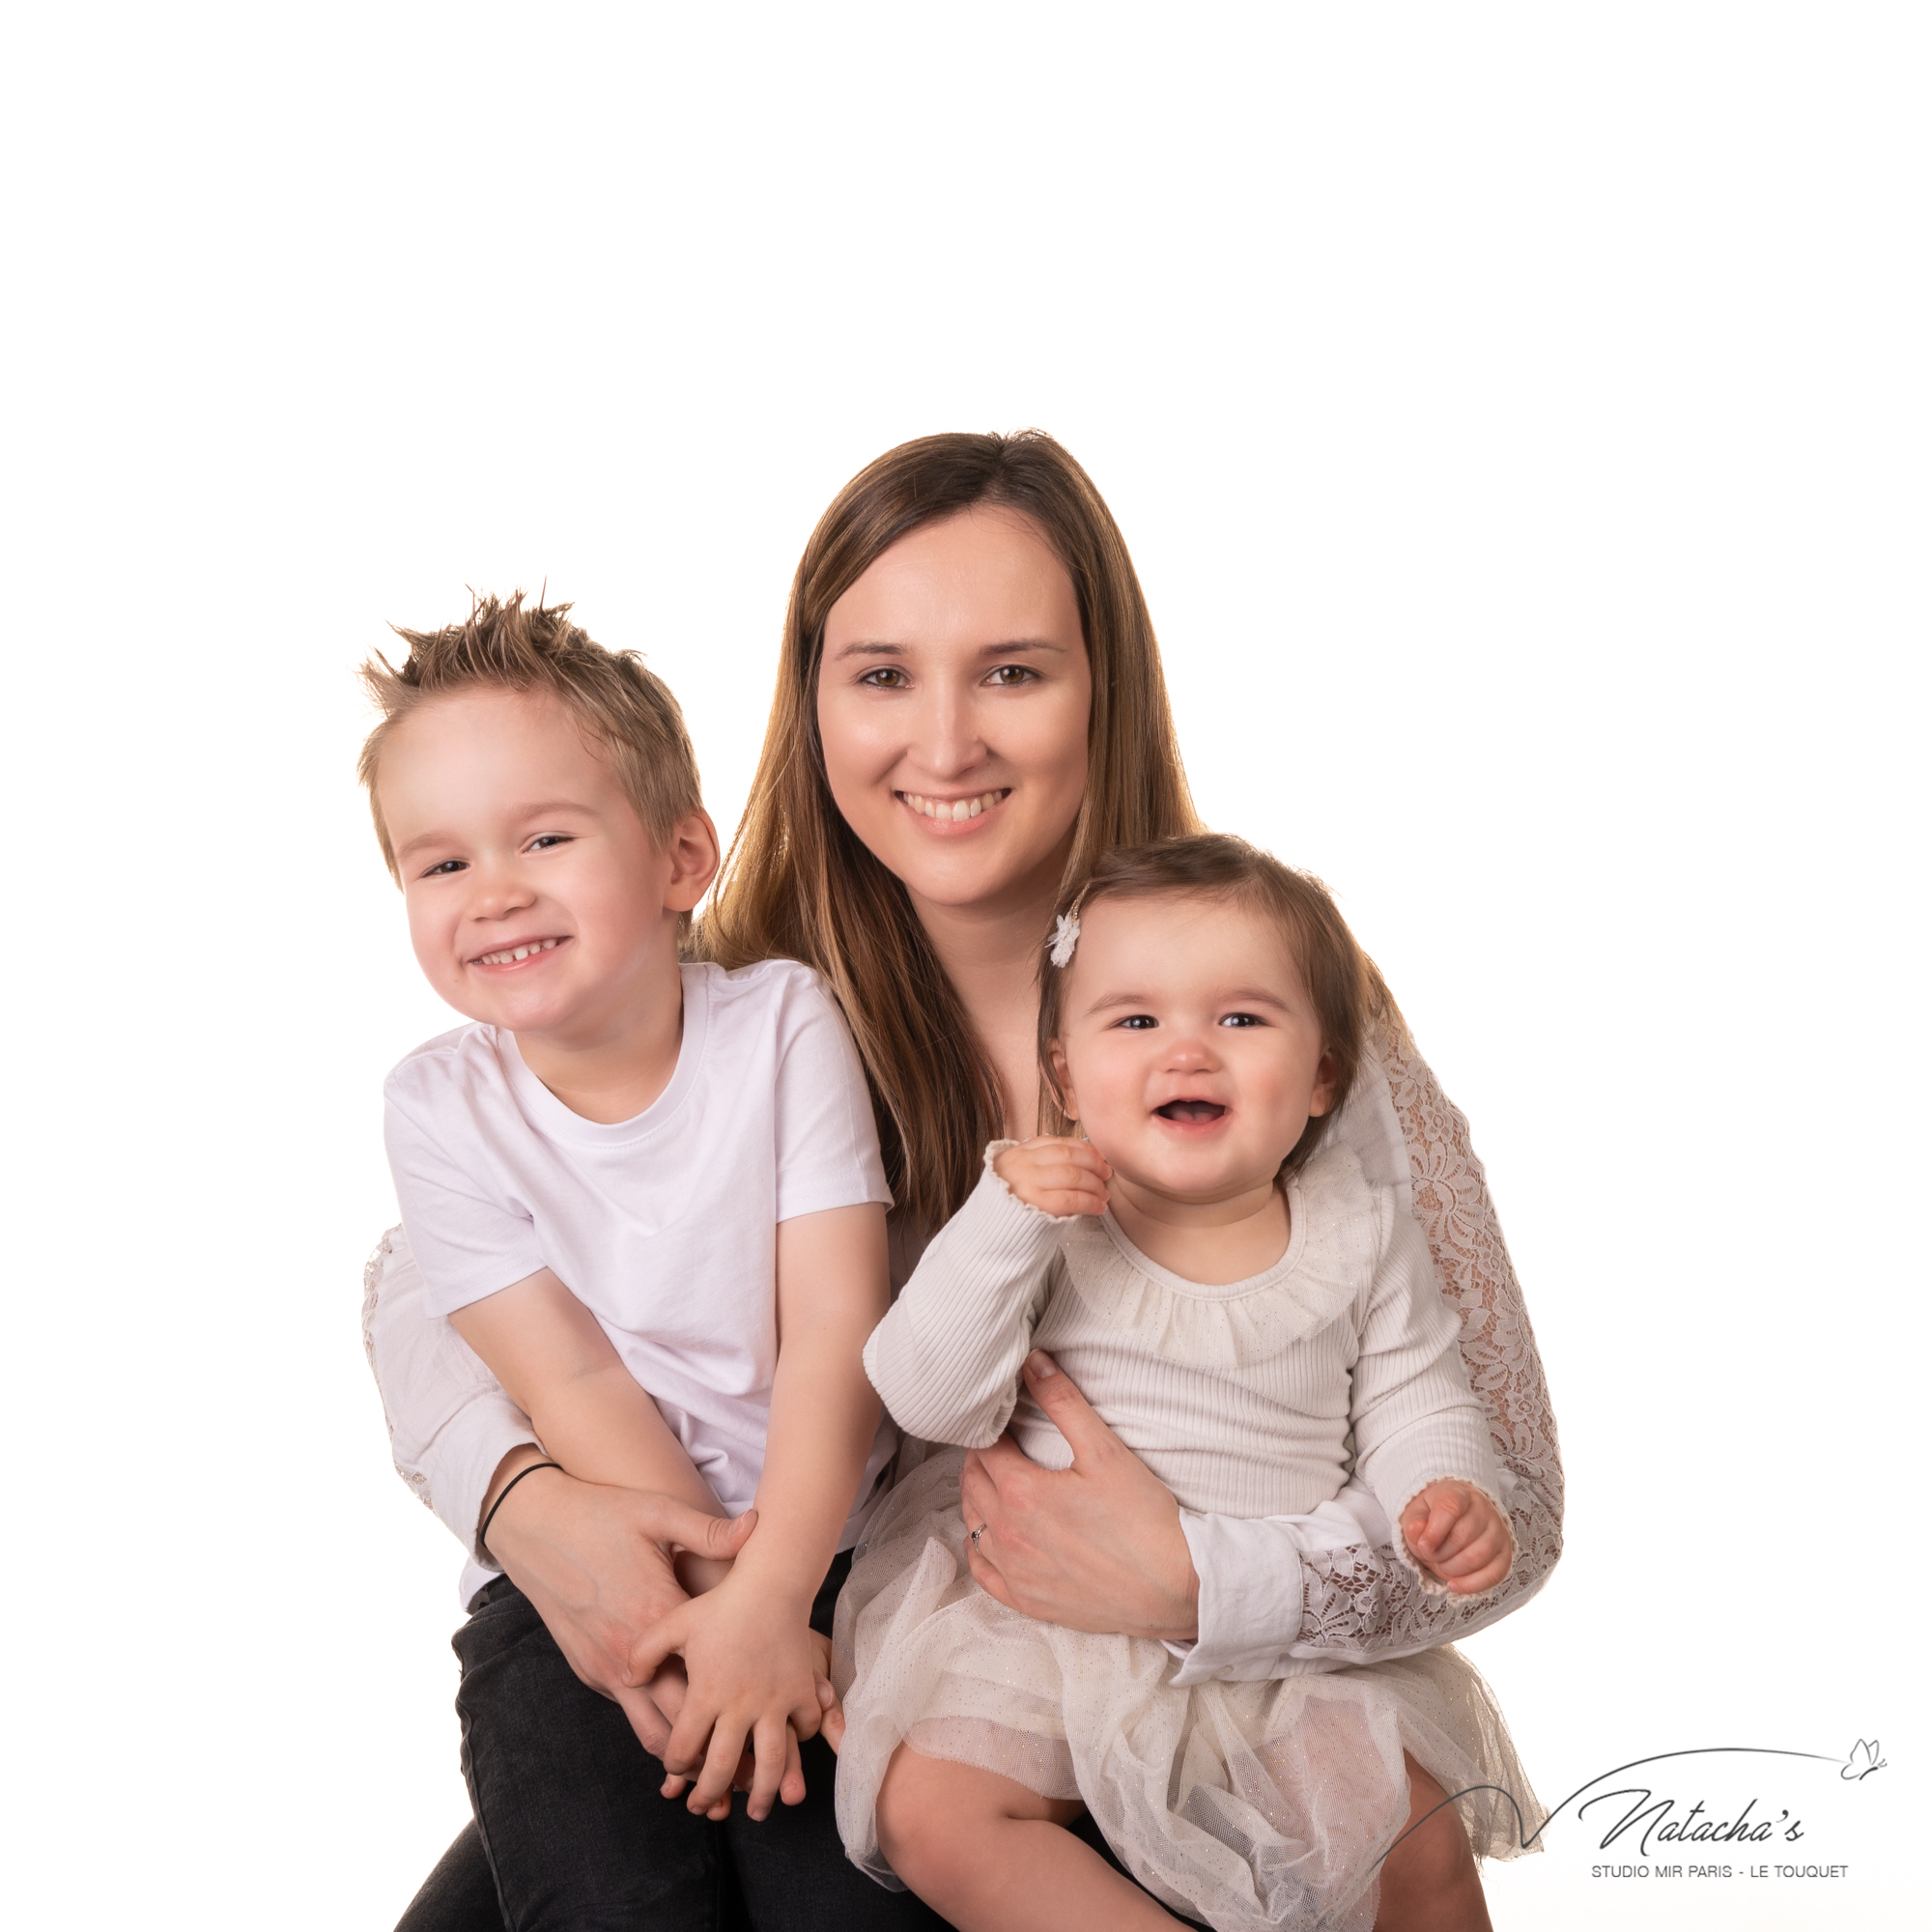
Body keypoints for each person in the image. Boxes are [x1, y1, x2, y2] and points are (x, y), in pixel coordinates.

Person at [363, 430, 1563, 1930]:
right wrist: (528, 1506)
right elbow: (419, 1288)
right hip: (856, 1643)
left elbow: (1510, 1491)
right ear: (811, 702)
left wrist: (1197, 1583)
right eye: (881, 675)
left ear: (1099, 687)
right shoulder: (733, 999)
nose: (944, 745)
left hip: (1188, 1687)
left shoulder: (1260, 1015)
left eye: (1011, 672)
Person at [838, 836, 1537, 1932]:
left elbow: (1418, 1397)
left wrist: (1443, 1490)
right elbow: (925, 1394)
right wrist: (1002, 1216)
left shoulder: (1358, 1229)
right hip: (1043, 1629)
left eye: (1240, 1018)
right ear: (1066, 1073)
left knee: (1416, 1839)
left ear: (1322, 1076)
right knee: (935, 1807)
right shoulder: (1044, 1222)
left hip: (1279, 1649)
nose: (1187, 1051)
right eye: (1133, 1020)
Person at [360, 594, 923, 1922]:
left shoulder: (783, 1027)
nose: (492, 891)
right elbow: (573, 1386)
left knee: (840, 1897)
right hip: (579, 1589)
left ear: (683, 857)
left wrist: (770, 1603)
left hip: (817, 1559)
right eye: (437, 865)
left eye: (544, 837)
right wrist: (694, 1633)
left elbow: (837, 1334)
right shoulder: (436, 1107)